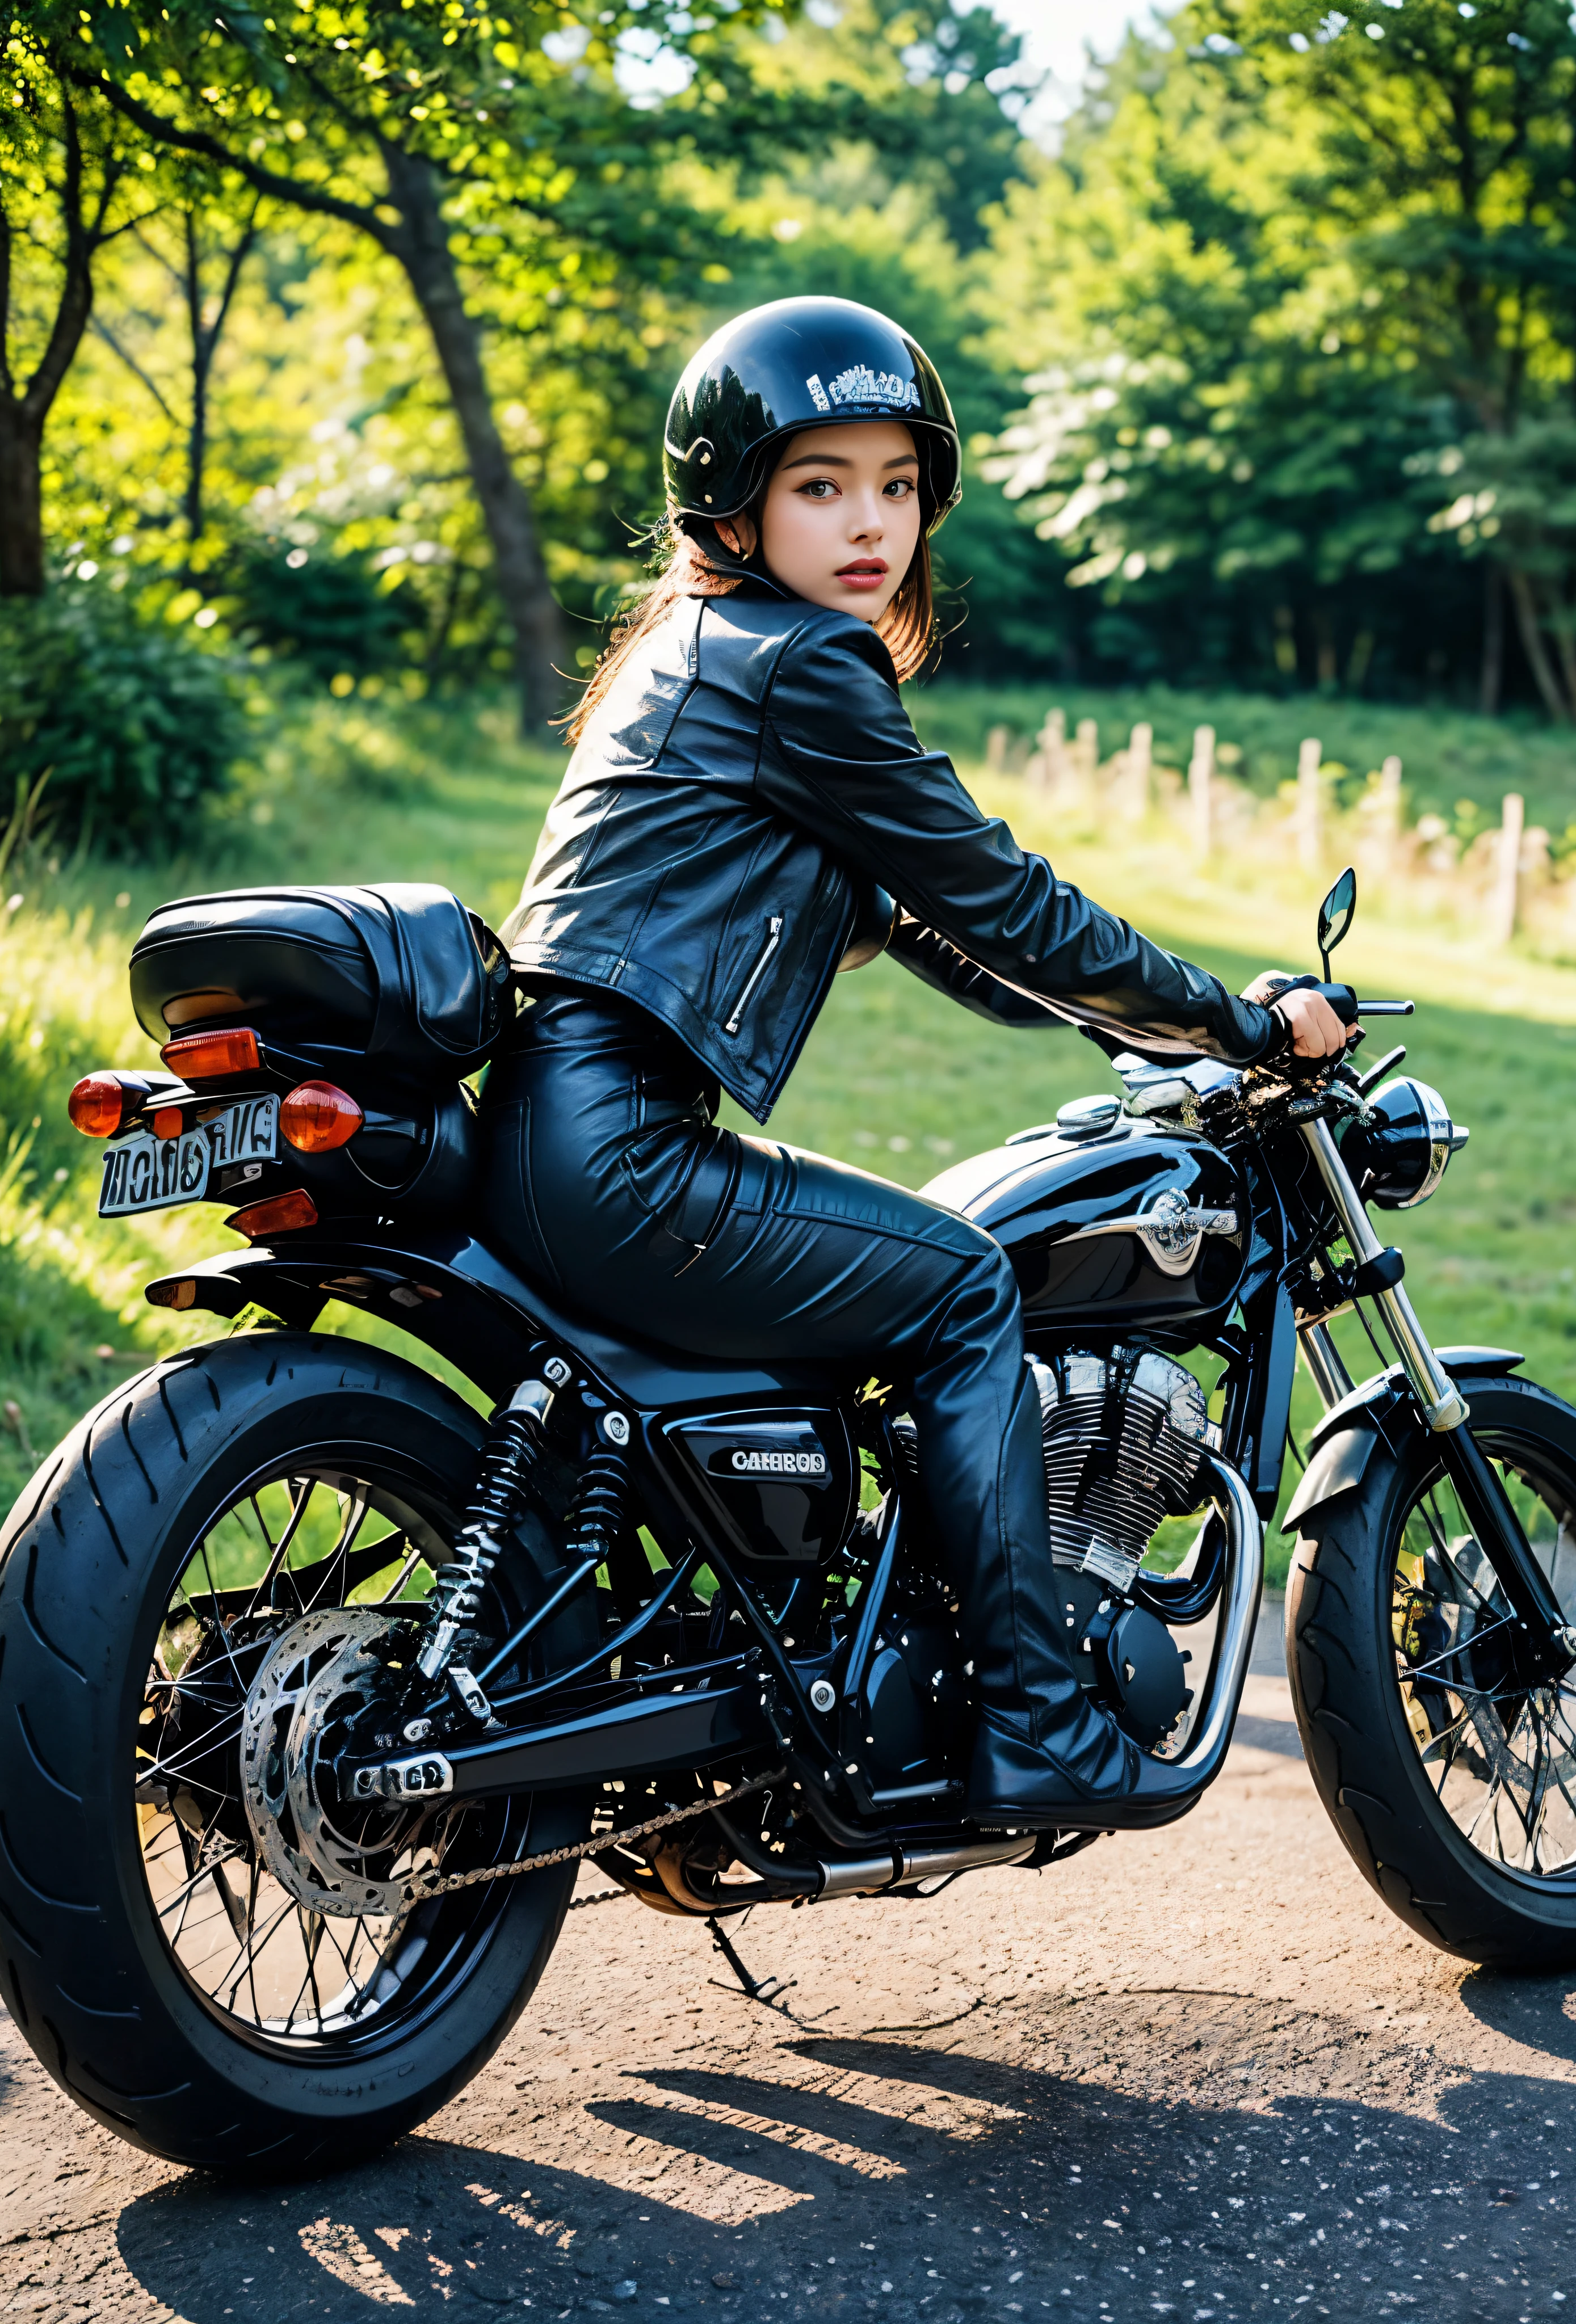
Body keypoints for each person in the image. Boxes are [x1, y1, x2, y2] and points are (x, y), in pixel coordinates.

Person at [485, 296, 1346, 1830]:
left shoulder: (696, 652)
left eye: (895, 484)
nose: (869, 522)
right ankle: (1036, 1721)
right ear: (736, 506)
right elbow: (1001, 894)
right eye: (822, 485)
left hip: (554, 1138)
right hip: (622, 1154)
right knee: (964, 1288)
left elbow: (942, 927)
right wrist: (1235, 1021)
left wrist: (1134, 1021)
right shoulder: (804, 665)